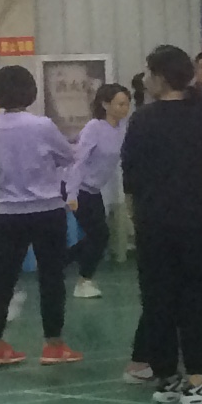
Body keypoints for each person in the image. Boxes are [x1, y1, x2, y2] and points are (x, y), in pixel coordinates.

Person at [123, 44, 202, 403]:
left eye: (149, 73)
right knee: (200, 297)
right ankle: (197, 377)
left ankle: (167, 379)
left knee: (158, 300)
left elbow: (130, 180)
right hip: (196, 222)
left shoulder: (141, 119)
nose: (146, 80)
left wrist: (139, 219)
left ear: (160, 77)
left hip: (153, 225)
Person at [0, 65, 82, 368]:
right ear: (30, 91)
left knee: (3, 278)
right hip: (46, 210)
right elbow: (68, 156)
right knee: (51, 278)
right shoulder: (42, 125)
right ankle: (53, 345)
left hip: (8, 212)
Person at [70, 82, 131, 299]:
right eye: (120, 104)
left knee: (99, 235)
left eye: (127, 104)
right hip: (78, 188)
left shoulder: (122, 128)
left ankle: (61, 259)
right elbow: (78, 161)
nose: (125, 108)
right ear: (105, 105)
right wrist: (71, 194)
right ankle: (83, 281)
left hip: (94, 190)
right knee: (100, 234)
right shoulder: (94, 127)